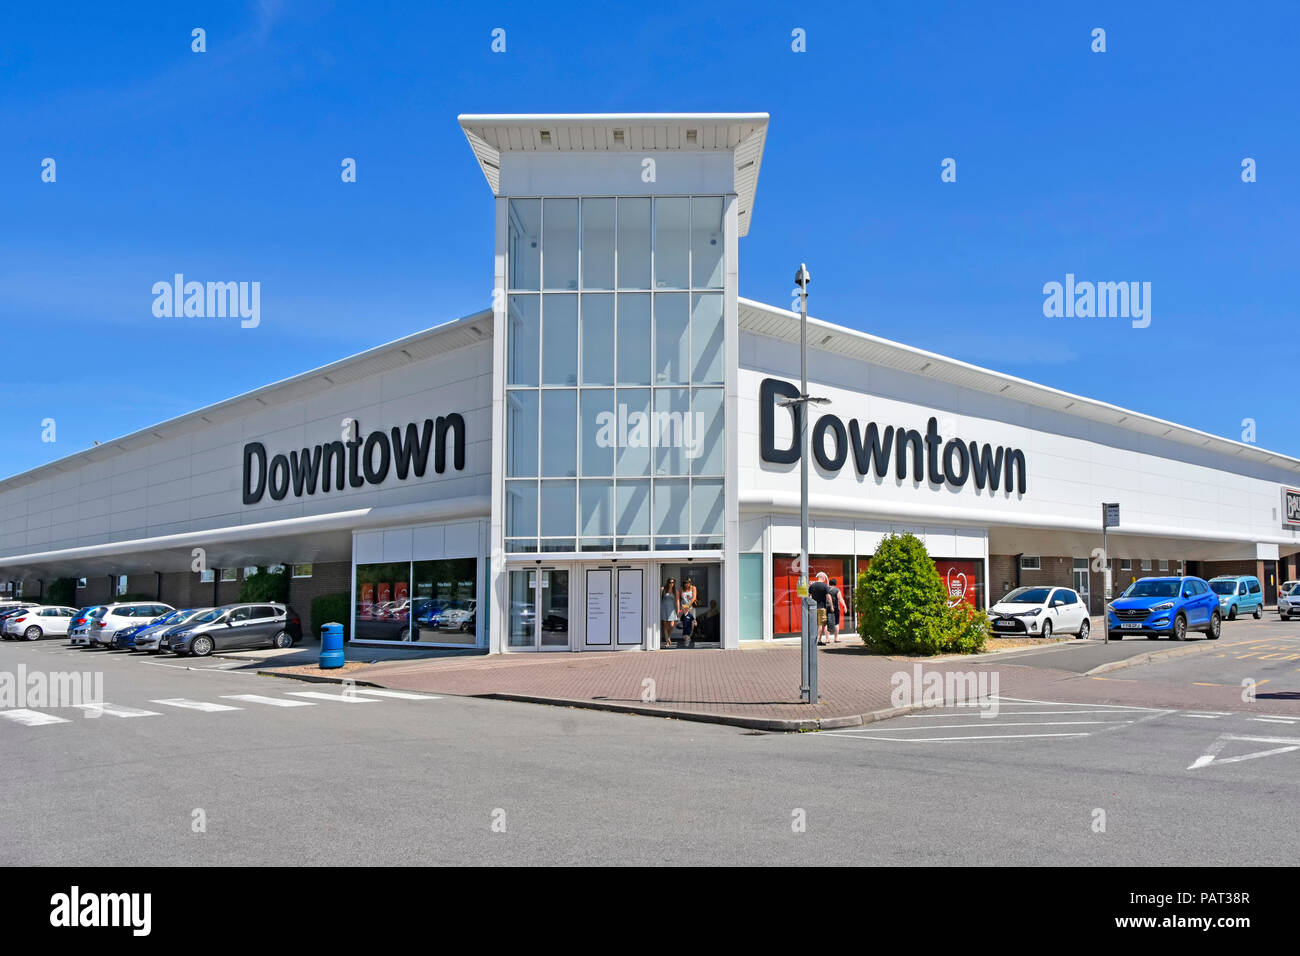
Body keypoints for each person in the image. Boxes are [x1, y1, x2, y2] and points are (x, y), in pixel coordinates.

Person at [807, 572, 831, 646]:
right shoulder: (825, 586)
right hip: (821, 608)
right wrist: (832, 606)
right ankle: (819, 640)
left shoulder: (812, 586)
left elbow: (809, 595)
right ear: (823, 578)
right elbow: (828, 597)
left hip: (813, 608)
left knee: (813, 624)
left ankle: (811, 640)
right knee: (821, 625)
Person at [660, 578, 680, 648]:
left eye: (673, 582)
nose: (671, 584)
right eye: (670, 582)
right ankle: (667, 642)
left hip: (672, 609)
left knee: (671, 625)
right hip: (664, 608)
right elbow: (659, 598)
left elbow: (677, 601)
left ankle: (668, 637)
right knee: (665, 626)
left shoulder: (675, 591)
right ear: (667, 582)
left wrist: (678, 611)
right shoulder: (663, 589)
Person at [680, 577, 698, 648]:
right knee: (685, 623)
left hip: (691, 608)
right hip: (684, 609)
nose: (687, 584)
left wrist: (688, 606)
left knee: (692, 624)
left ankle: (689, 636)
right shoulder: (681, 589)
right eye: (685, 583)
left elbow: (694, 598)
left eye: (688, 583)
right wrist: (679, 608)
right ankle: (687, 638)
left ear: (690, 583)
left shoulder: (693, 588)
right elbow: (679, 599)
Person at [827, 577, 845, 643]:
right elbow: (840, 599)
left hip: (827, 608)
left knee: (827, 623)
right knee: (836, 623)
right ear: (835, 584)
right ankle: (836, 638)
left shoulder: (826, 589)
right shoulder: (837, 590)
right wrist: (844, 606)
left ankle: (827, 639)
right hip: (835, 608)